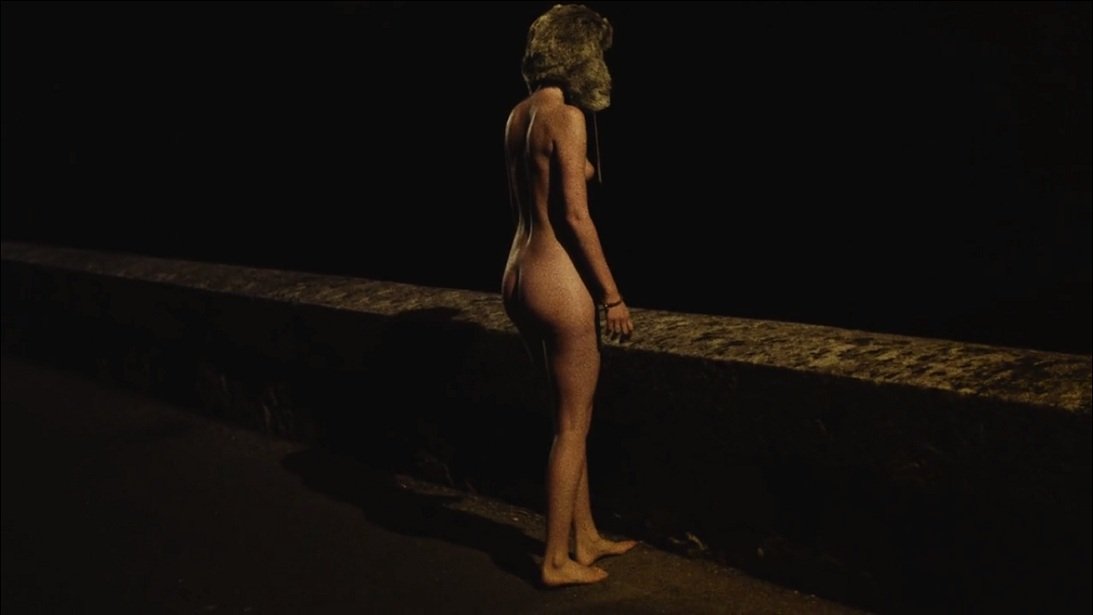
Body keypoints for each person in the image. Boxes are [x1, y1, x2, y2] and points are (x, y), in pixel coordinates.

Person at [501, 3, 637, 587]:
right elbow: (577, 218)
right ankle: (555, 560)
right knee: (574, 426)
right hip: (557, 277)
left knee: (563, 418)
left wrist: (579, 166)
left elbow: (541, 183)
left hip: (518, 271)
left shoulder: (520, 114)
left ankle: (585, 535)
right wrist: (612, 296)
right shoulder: (569, 117)